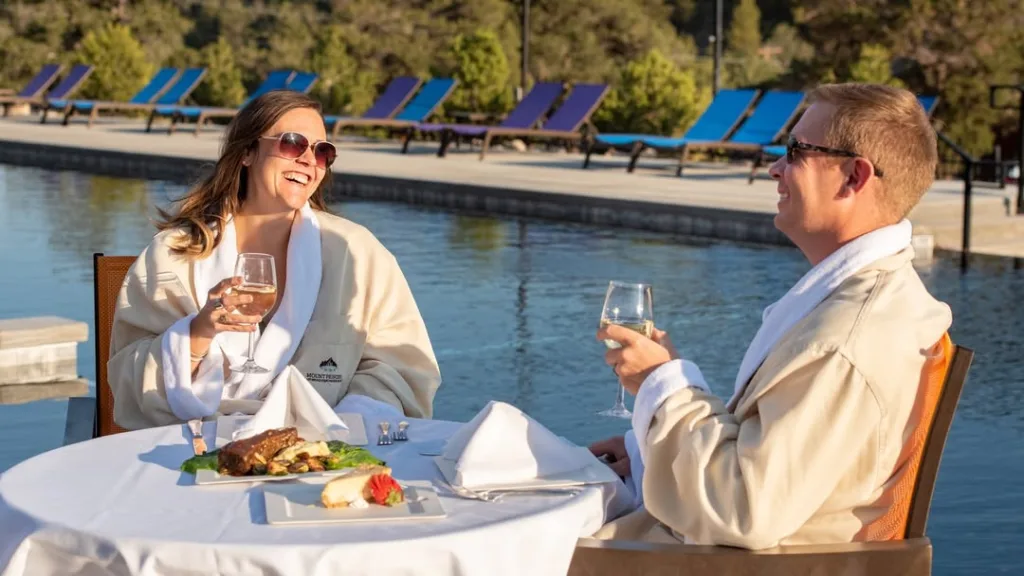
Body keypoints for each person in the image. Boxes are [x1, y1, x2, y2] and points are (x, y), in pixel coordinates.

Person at [589, 83, 953, 549]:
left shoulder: (843, 341)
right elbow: (772, 463)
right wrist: (648, 453)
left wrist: (663, 388)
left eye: (796, 151)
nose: (775, 168)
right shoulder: (874, 302)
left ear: (853, 177)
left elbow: (742, 508)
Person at [108, 90, 441, 430]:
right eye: (293, 144)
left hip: (321, 446)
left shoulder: (358, 253)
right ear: (247, 152)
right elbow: (126, 380)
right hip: (199, 443)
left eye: (322, 152)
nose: (309, 160)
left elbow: (402, 369)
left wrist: (339, 426)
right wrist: (196, 335)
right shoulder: (174, 255)